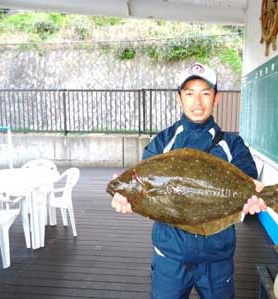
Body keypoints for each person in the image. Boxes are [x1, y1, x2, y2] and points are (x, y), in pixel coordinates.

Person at [111, 62, 267, 299]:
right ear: (179, 98)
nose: (197, 102)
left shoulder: (233, 144)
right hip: (171, 256)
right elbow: (151, 198)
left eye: (205, 93)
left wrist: (254, 195)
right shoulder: (162, 143)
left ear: (216, 98)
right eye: (190, 93)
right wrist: (129, 199)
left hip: (217, 256)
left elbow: (249, 181)